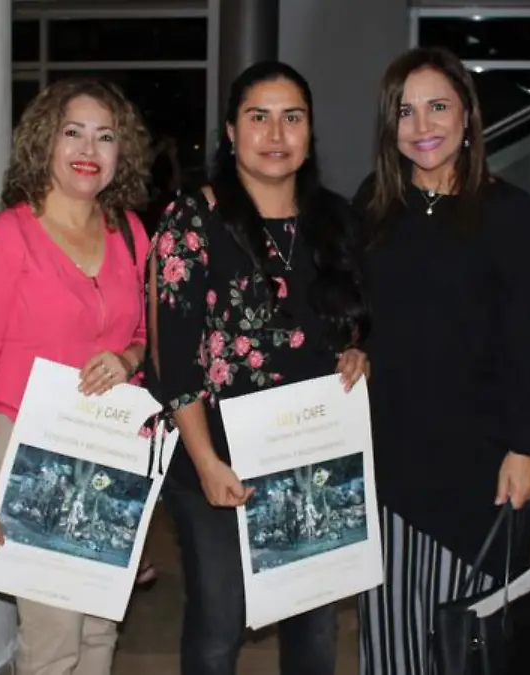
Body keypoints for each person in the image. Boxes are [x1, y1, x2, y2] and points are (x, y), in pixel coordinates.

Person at [146, 60, 370, 675]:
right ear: (230, 131)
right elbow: (172, 358)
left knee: (314, 622)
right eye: (258, 117)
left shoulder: (337, 221)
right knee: (220, 621)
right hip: (215, 456)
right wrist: (205, 462)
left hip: (312, 454)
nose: (276, 134)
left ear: (310, 131)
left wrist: (359, 352)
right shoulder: (192, 220)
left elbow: (358, 323)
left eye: (291, 118)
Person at [352, 47, 530, 675]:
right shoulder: (374, 205)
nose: (422, 126)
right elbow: (360, 314)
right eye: (405, 112)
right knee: (391, 635)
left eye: (437, 107)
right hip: (390, 456)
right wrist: (354, 346)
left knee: (469, 642)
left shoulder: (510, 213)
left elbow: (526, 340)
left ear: (467, 115)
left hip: (478, 463)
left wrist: (525, 450)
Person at [0, 77, 151, 675]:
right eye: (73, 132)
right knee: (53, 636)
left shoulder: (129, 232)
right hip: (24, 453)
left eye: (105, 136)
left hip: (107, 448)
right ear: (45, 142)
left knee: (101, 627)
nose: (89, 149)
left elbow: (144, 335)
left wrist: (128, 360)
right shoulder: (5, 240)